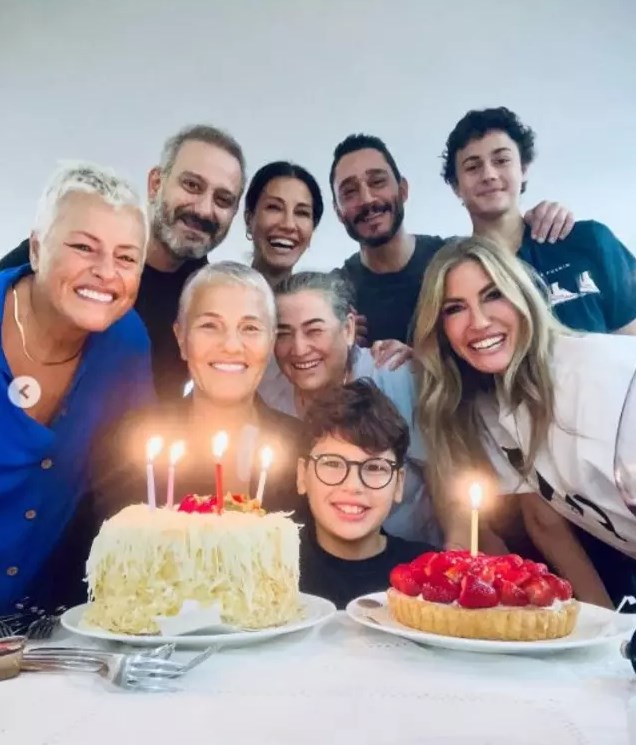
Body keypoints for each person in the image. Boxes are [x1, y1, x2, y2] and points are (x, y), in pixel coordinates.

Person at [412, 235, 636, 607]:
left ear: (524, 297)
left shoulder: (611, 377)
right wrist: (605, 623)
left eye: (493, 295)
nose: (479, 322)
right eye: (455, 308)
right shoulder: (487, 408)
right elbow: (545, 521)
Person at [0, 161, 153, 621]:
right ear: (36, 249)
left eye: (126, 258)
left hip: (36, 629)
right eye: (84, 247)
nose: (106, 272)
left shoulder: (127, 344)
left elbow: (127, 484)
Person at [0, 124, 246, 399]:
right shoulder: (60, 253)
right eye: (192, 185)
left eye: (223, 200)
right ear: (156, 183)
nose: (204, 210)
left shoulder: (208, 299)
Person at [92, 261, 306, 523]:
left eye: (250, 328)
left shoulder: (303, 449)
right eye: (210, 326)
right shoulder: (131, 443)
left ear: (271, 342)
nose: (231, 346)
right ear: (181, 338)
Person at [330, 133, 576, 346]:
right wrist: (334, 343)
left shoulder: (460, 259)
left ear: (403, 190)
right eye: (349, 192)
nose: (367, 198)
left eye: (377, 182)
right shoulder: (333, 295)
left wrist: (542, 219)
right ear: (338, 211)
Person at [259, 271, 440, 545]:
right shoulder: (269, 385)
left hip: (410, 553)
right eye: (283, 334)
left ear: (349, 329)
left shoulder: (394, 376)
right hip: (313, 555)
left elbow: (445, 477)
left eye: (314, 331)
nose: (298, 348)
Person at [441, 107, 636, 334]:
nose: (489, 175)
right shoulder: (453, 274)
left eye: (501, 160)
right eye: (473, 167)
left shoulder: (588, 240)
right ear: (456, 186)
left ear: (523, 169)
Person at [298, 379, 437, 609]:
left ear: (398, 484)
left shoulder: (430, 572)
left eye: (374, 468)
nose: (353, 486)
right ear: (302, 476)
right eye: (332, 463)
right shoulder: (269, 567)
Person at [245, 160, 324, 288]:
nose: (288, 225)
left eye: (302, 213)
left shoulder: (327, 299)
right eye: (274, 207)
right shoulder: (216, 291)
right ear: (249, 219)